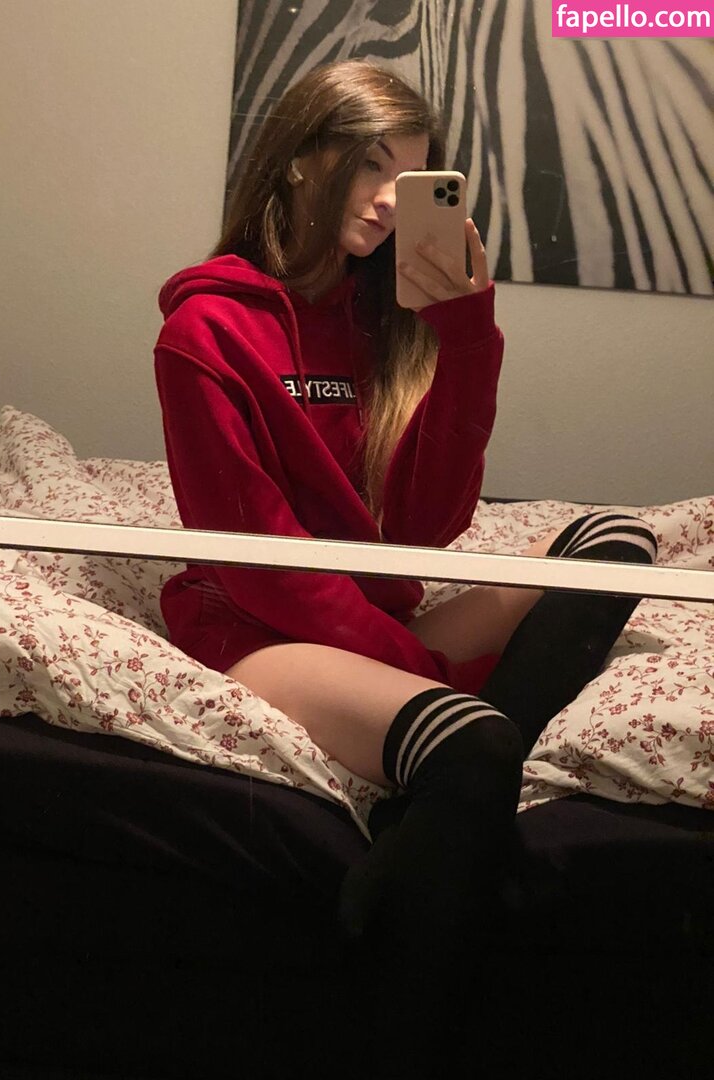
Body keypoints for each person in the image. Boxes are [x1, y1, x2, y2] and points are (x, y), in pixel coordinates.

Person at [153, 60, 657, 963]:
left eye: (413, 176)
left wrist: (468, 338)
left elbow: (426, 528)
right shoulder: (205, 331)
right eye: (370, 164)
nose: (391, 200)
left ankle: (424, 820)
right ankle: (454, 810)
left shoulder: (378, 315)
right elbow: (258, 562)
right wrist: (424, 669)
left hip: (369, 606)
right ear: (299, 158)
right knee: (473, 743)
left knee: (614, 543)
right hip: (257, 628)